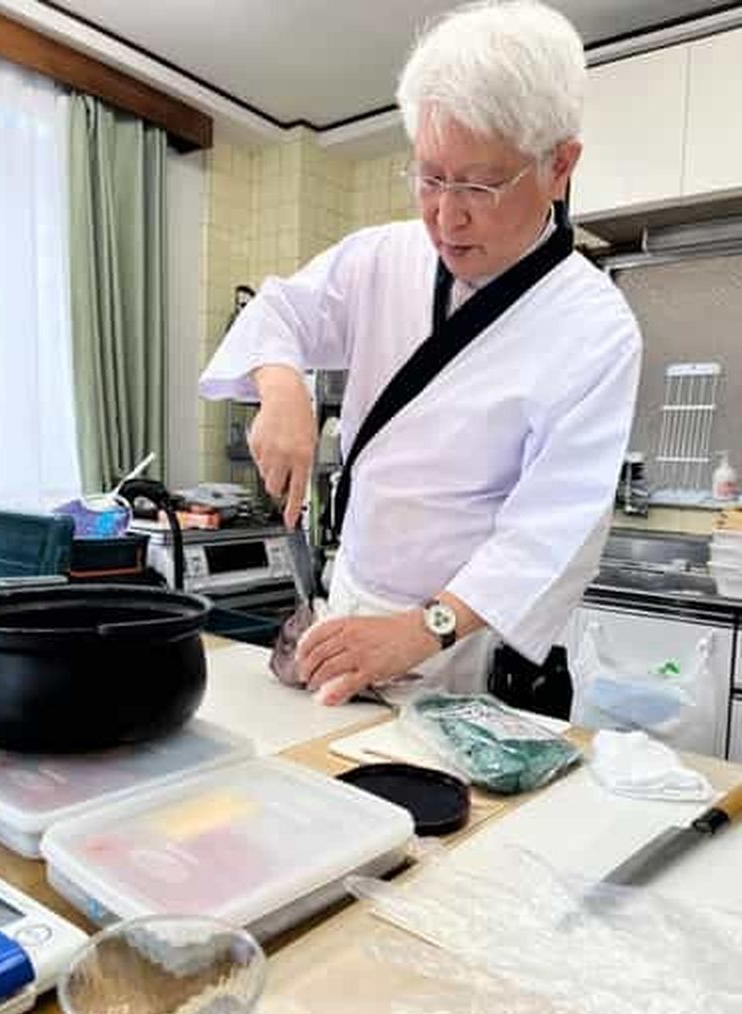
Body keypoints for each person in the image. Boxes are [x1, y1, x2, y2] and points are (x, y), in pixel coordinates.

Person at [199, 0, 641, 706]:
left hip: (464, 644)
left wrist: (422, 628)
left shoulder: (594, 325)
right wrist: (281, 385)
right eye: (430, 177)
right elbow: (279, 309)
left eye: (478, 184)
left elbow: (551, 531)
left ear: (560, 166)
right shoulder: (384, 256)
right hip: (351, 606)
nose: (446, 214)